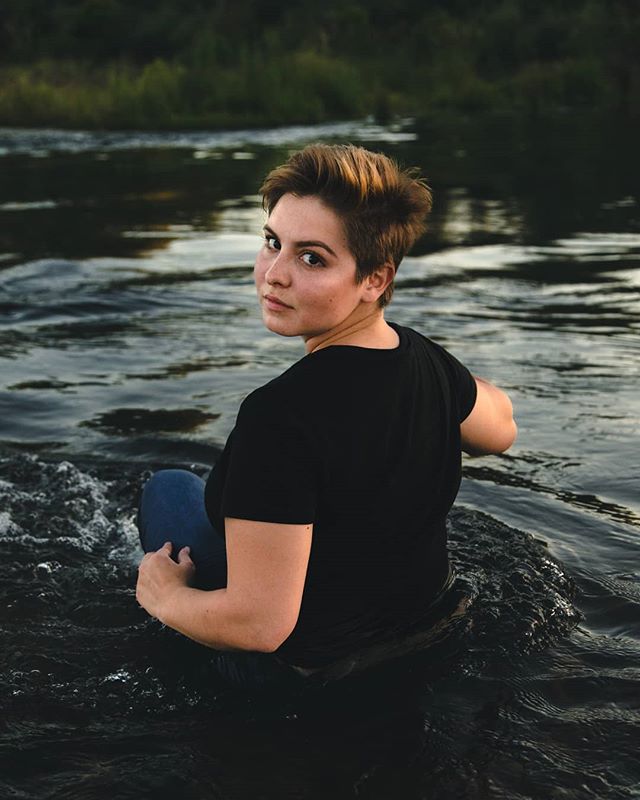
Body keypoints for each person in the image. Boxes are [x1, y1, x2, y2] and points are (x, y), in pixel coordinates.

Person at [136, 143, 517, 684]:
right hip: (431, 633)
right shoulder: (428, 362)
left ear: (375, 279)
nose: (274, 274)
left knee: (169, 487)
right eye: (273, 242)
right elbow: (501, 432)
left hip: (311, 677)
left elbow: (259, 626)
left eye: (312, 258)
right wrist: (444, 390)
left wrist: (165, 596)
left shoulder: (278, 416)